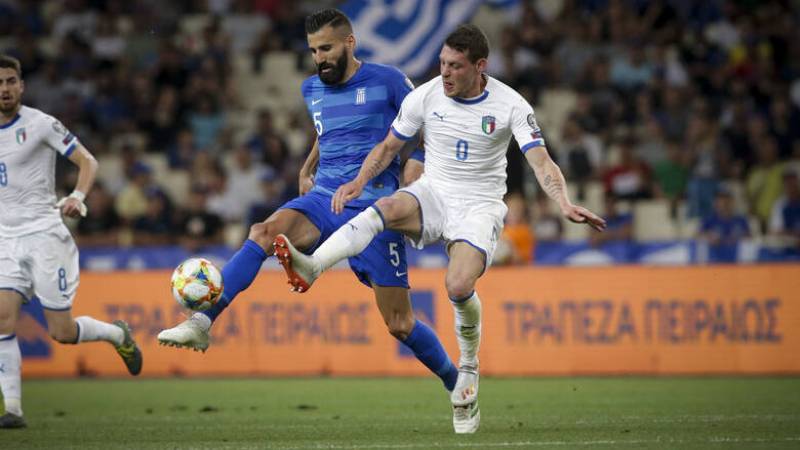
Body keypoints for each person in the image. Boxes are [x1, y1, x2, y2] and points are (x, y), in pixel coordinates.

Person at [272, 25, 606, 434]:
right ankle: (313, 266)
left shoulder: (511, 105)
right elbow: (389, 147)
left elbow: (541, 162)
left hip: (479, 206)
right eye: (442, 63)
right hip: (433, 192)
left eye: (455, 66)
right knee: (384, 207)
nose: (445, 73)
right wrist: (360, 181)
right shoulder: (426, 95)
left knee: (458, 286)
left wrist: (563, 202)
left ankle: (468, 367)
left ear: (480, 67)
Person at [157, 8, 459, 400]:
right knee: (263, 232)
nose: (320, 58)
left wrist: (416, 163)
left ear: (350, 43)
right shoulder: (311, 89)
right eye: (314, 50)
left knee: (400, 323)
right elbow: (327, 131)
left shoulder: (389, 81)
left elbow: (429, 124)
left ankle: (457, 381)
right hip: (324, 199)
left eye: (327, 49)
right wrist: (308, 165)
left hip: (375, 210)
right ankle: (202, 321)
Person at [0, 55, 142, 429]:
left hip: (44, 235)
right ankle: (12, 409)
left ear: (21, 86)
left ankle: (117, 334)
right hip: (4, 239)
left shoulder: (40, 124)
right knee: (2, 318)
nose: (5, 89)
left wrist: (77, 196)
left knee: (61, 332)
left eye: (11, 81)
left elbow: (88, 161)